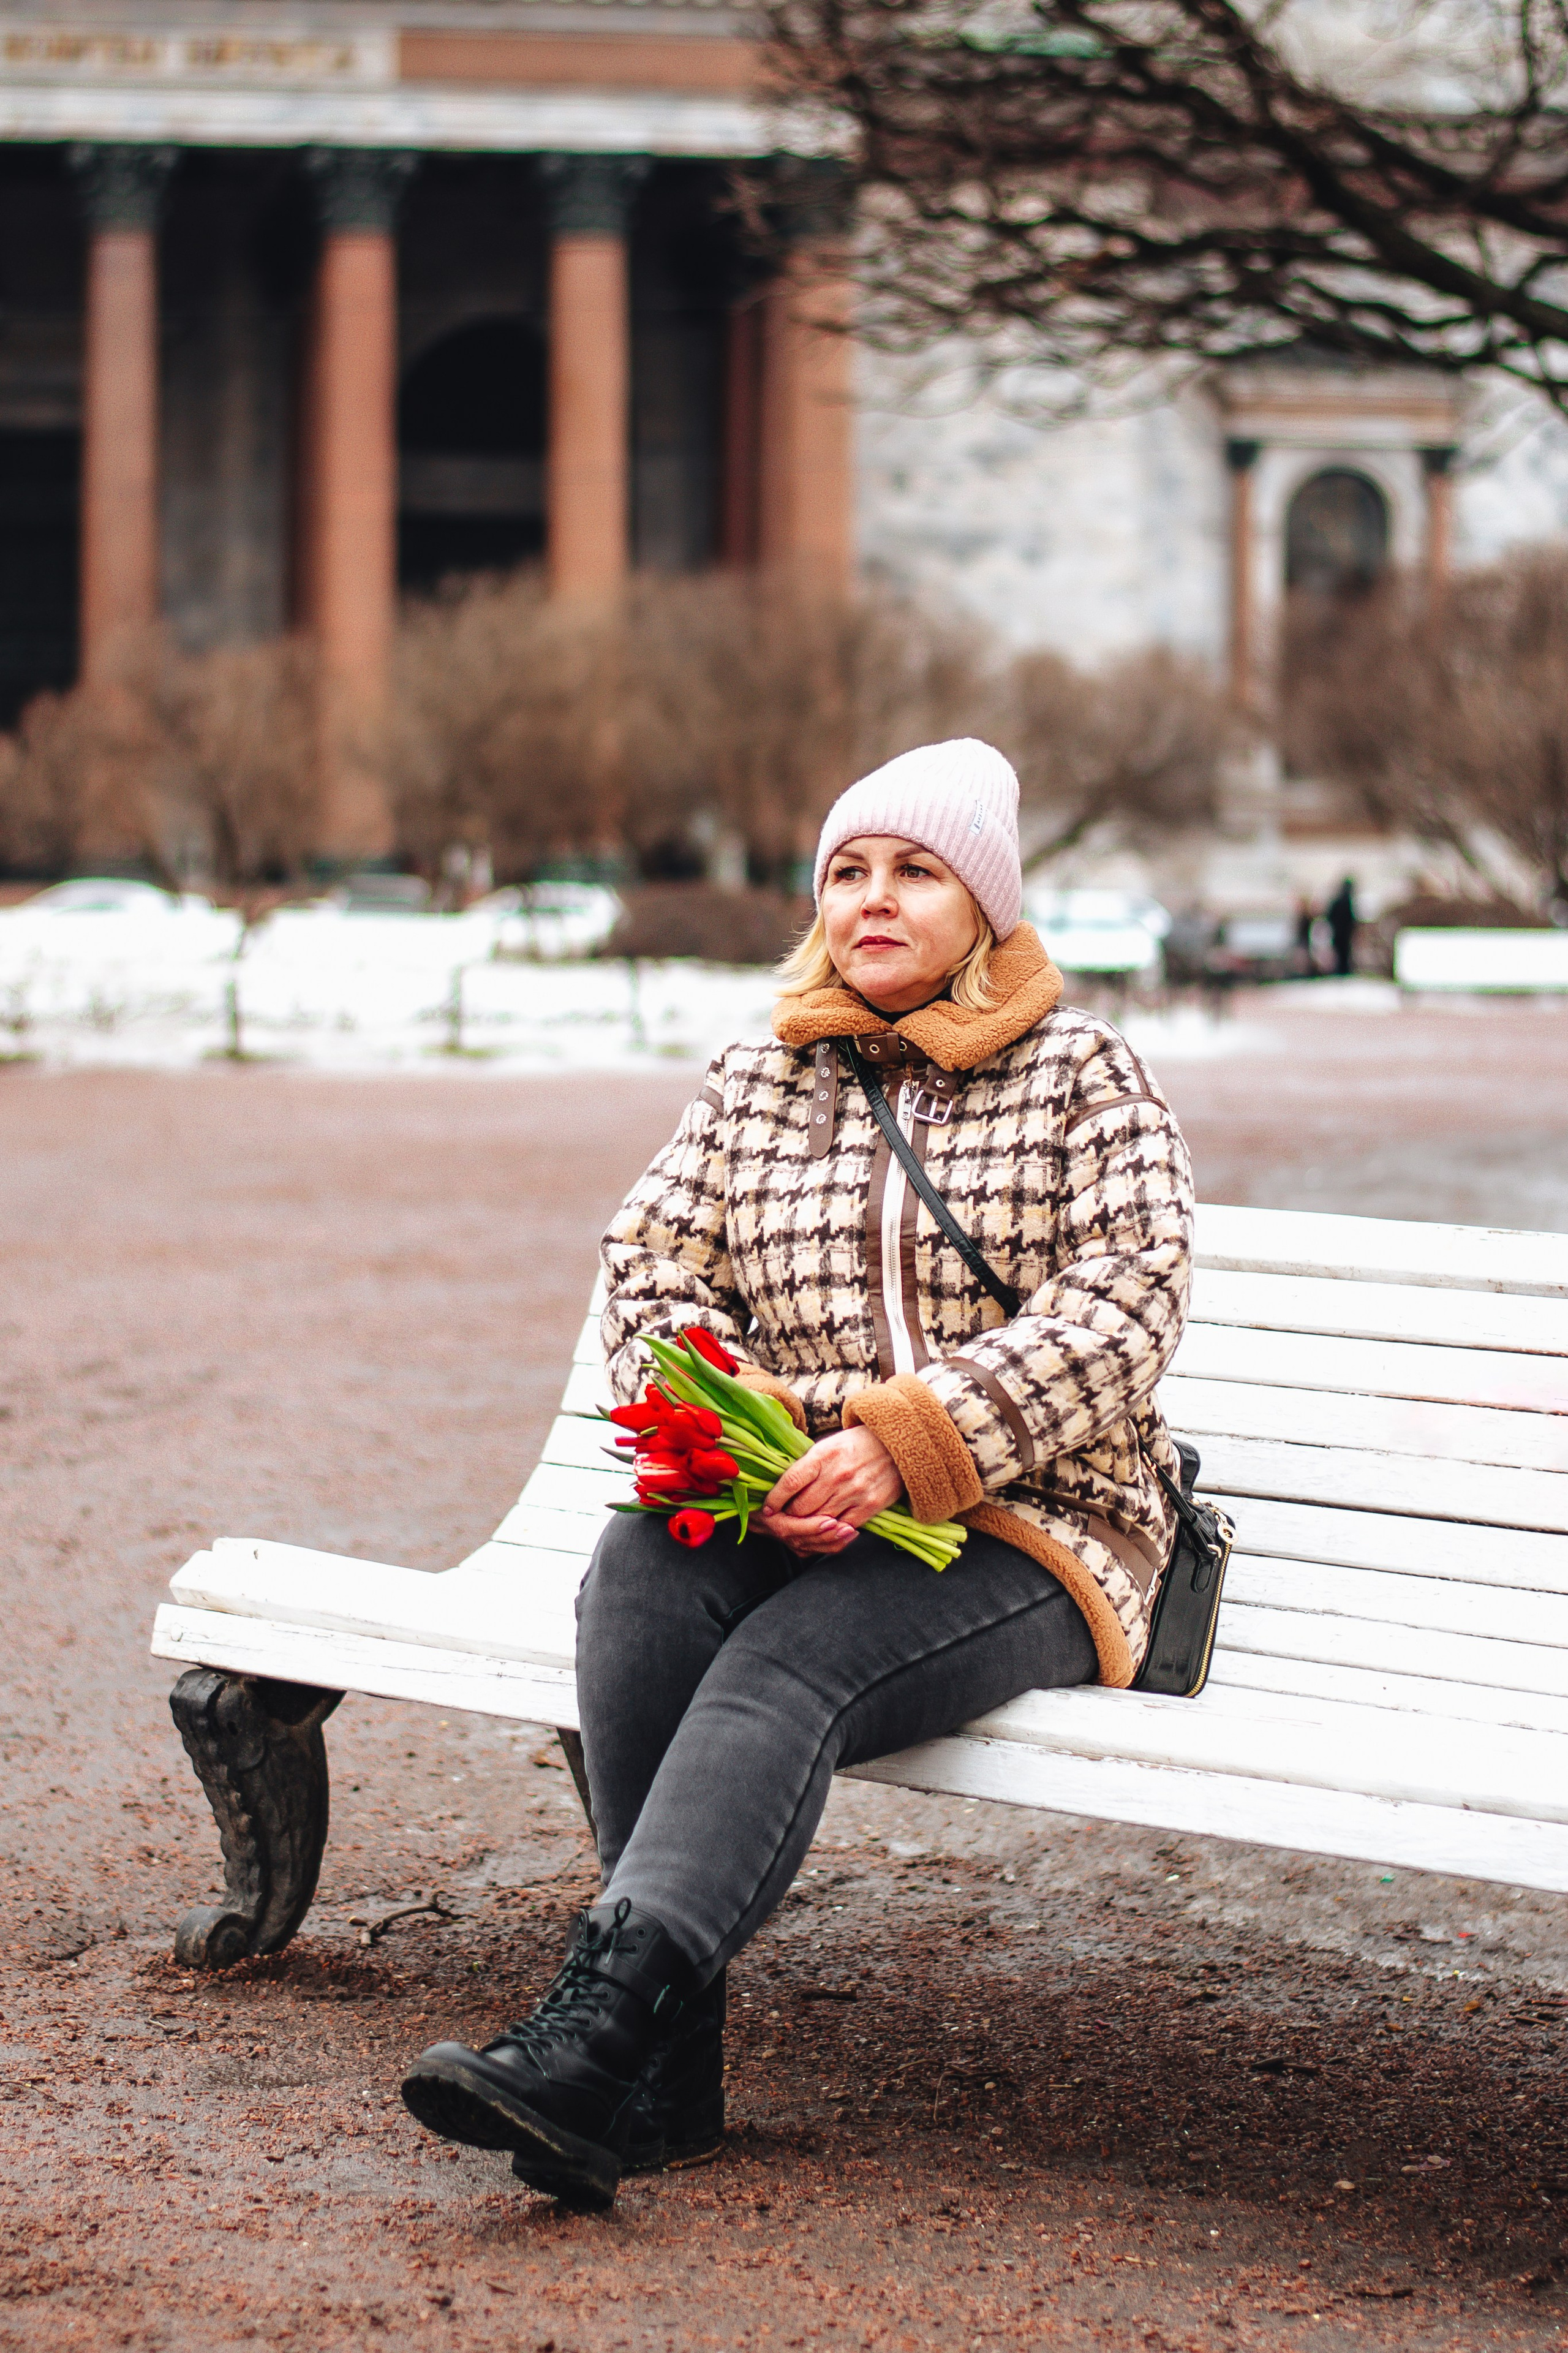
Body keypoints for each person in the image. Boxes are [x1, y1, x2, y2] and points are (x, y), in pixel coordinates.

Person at [401, 739, 1196, 2208]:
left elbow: (1125, 1301)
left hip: (1033, 1517)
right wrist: (727, 1421)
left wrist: (906, 1445)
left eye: (913, 870)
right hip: (790, 1489)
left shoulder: (1085, 1072)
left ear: (986, 907)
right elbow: (646, 1264)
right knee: (640, 1575)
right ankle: (654, 2080)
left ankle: (600, 2034)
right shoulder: (758, 1075)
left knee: (783, 1662)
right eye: (846, 870)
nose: (870, 898)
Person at [1325, 875, 1358, 978]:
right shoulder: (1347, 902)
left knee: (1341, 954)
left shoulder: (1338, 901)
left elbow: (1329, 916)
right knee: (1344, 954)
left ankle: (1341, 971)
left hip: (1339, 934)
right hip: (1344, 934)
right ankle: (1343, 972)